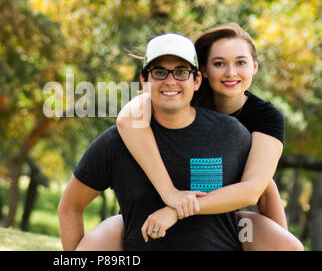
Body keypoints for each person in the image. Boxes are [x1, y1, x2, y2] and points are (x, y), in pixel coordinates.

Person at [73, 23, 303, 251]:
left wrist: (177, 209)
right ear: (203, 71)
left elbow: (258, 188)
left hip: (227, 205)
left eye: (240, 62)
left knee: (272, 208)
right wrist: (170, 194)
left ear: (254, 66)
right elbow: (128, 119)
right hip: (167, 205)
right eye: (219, 63)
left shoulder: (264, 117)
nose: (231, 72)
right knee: (116, 227)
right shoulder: (181, 92)